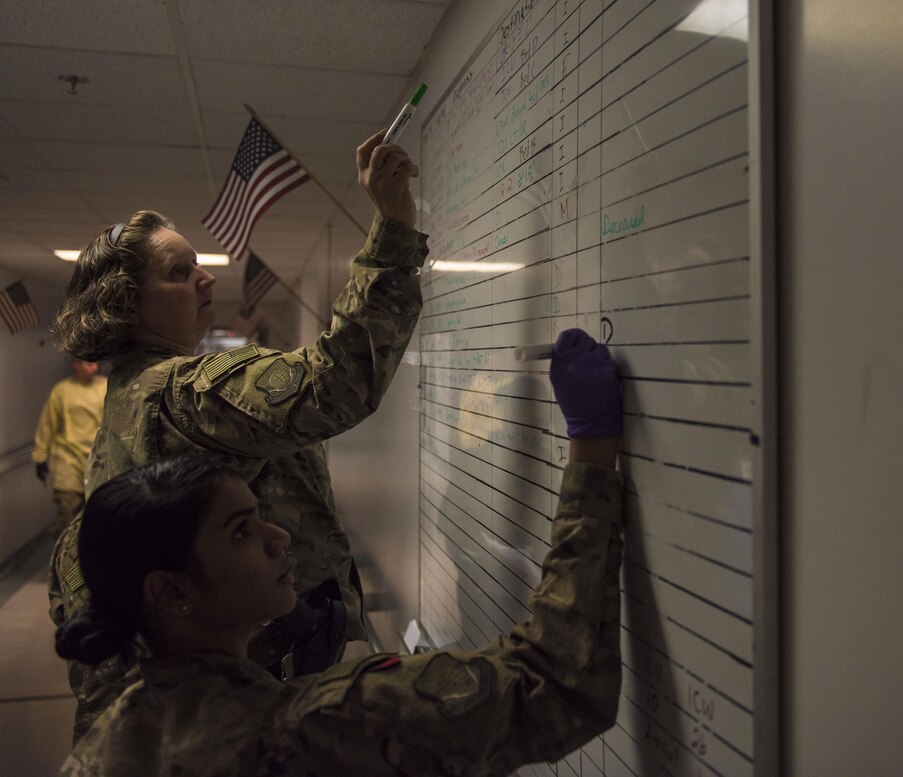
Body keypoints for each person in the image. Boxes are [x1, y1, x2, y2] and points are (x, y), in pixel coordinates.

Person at [53, 328, 624, 776]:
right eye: (241, 532)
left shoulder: (115, 734)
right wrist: (592, 450)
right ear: (170, 591)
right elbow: (557, 687)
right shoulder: (316, 726)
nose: (278, 538)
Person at [47, 130, 428, 741]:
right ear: (126, 306)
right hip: (244, 694)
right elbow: (338, 381)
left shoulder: (128, 393)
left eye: (198, 265)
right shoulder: (184, 393)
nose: (204, 279)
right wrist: (394, 227)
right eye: (178, 273)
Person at [31, 359, 107, 534]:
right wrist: (39, 457)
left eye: (96, 364)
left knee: (96, 521)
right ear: (76, 364)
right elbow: (47, 424)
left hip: (98, 461)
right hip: (68, 462)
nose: (94, 368)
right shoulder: (62, 391)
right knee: (67, 519)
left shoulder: (105, 386)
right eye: (89, 364)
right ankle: (64, 559)